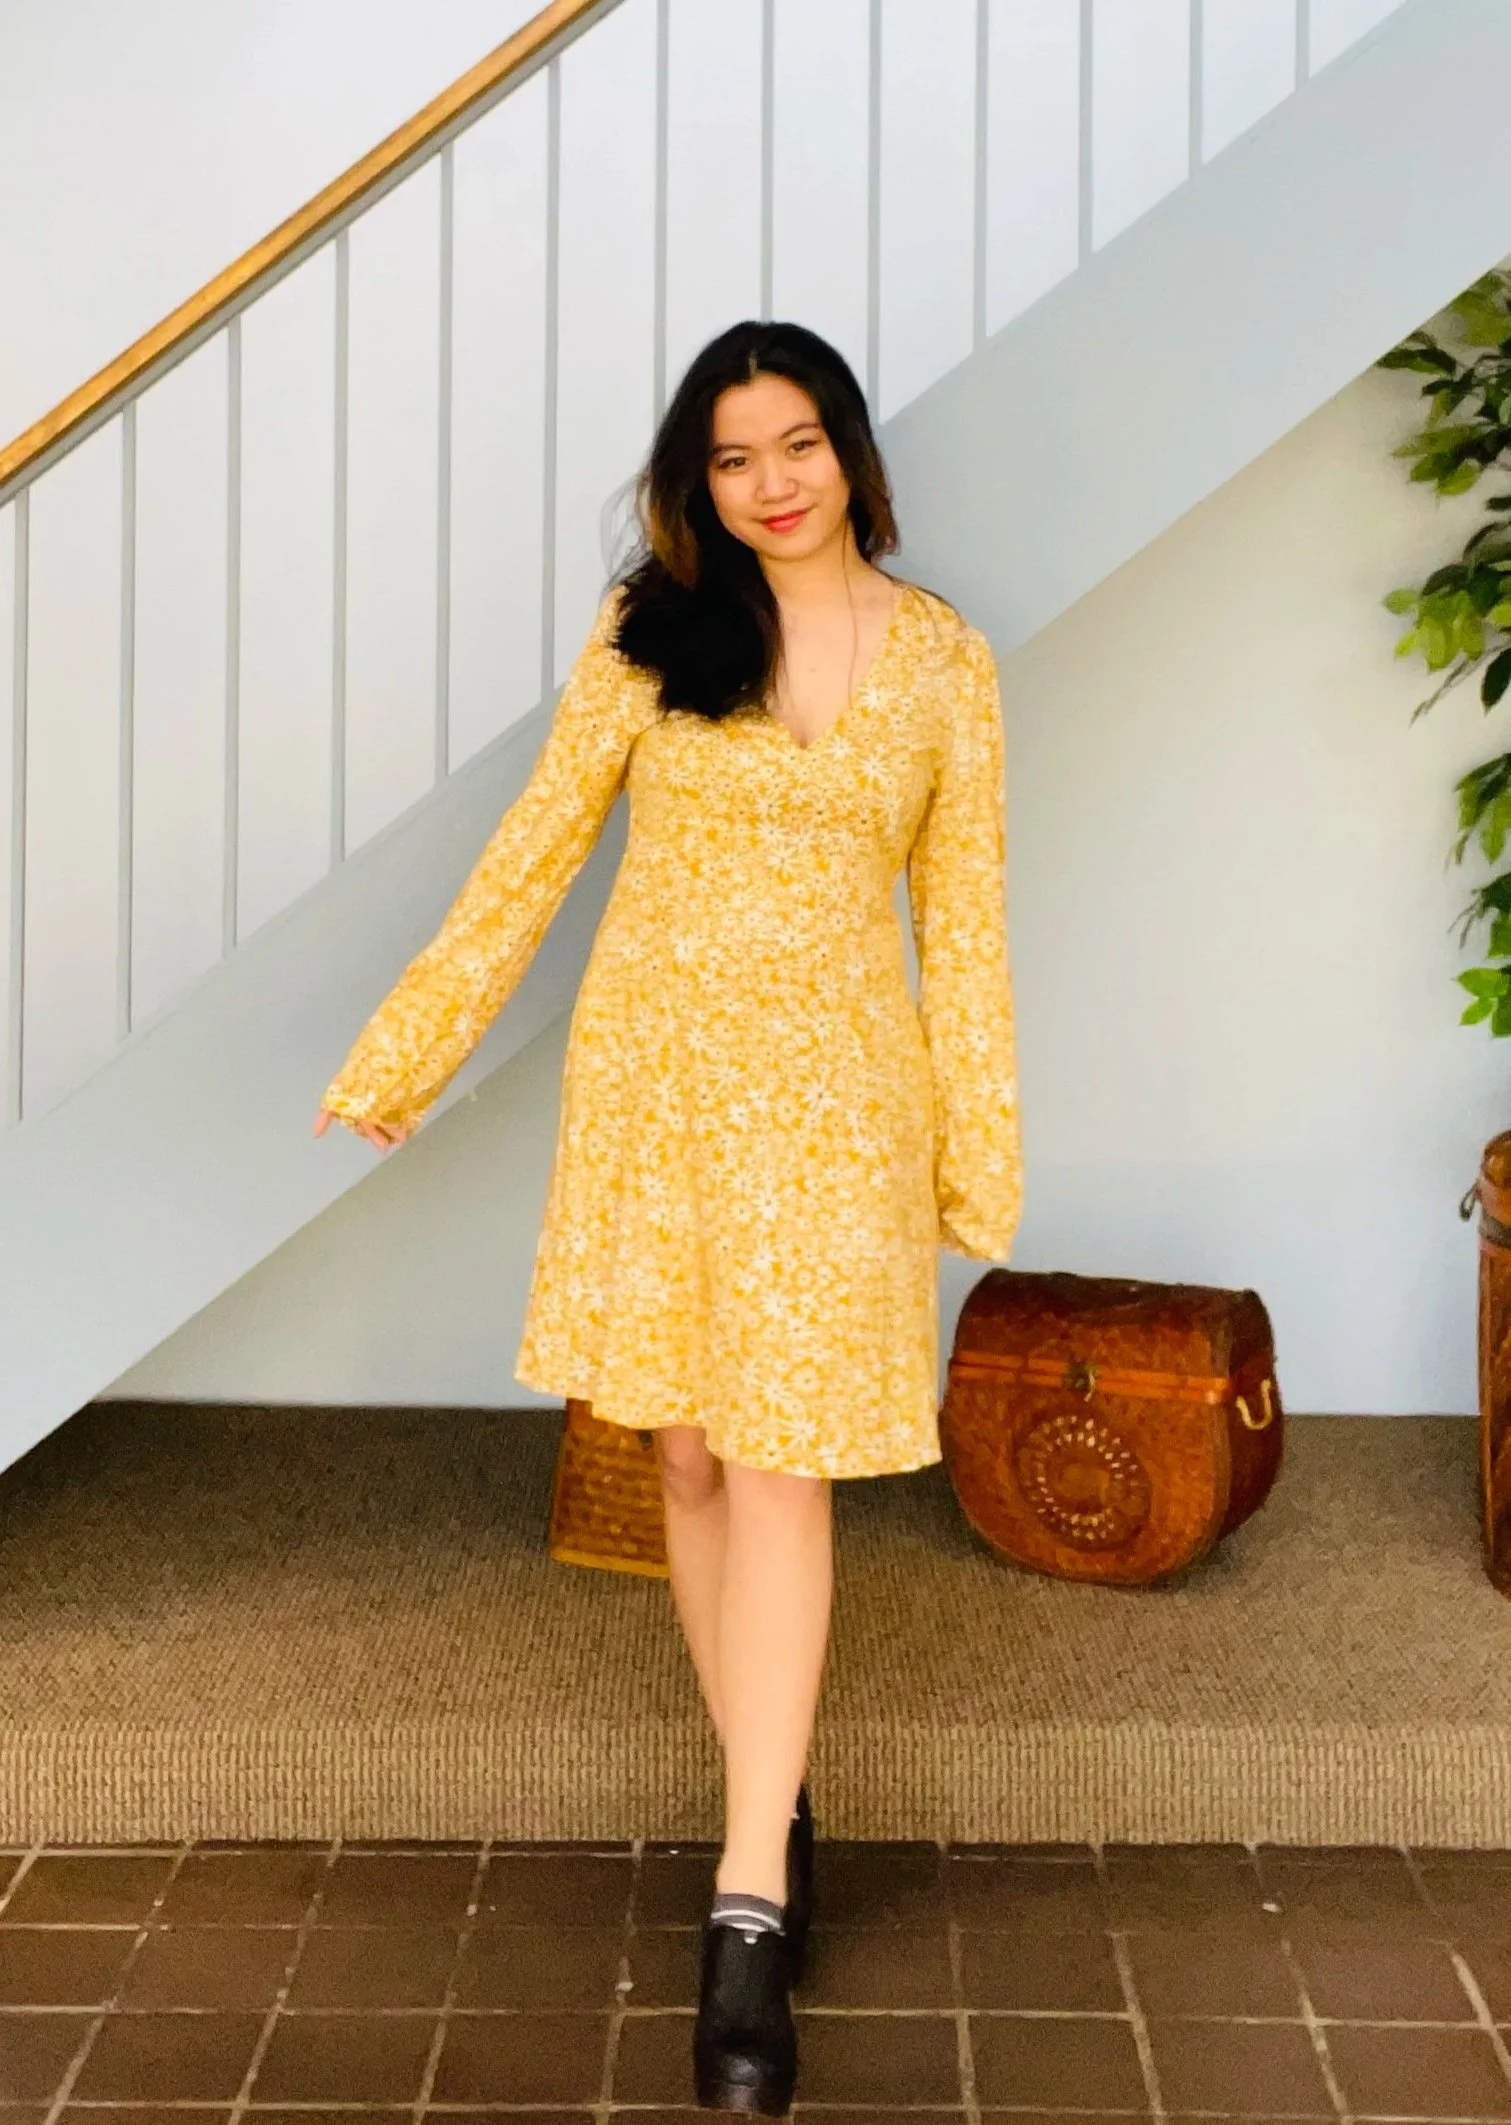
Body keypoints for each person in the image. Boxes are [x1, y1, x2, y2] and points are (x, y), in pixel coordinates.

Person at [314, 318, 1023, 2114]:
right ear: (695, 480)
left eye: (797, 443)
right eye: (731, 456)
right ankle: (769, 1781)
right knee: (690, 1460)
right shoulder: (650, 638)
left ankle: (749, 1908)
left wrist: (975, 1164)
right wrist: (410, 1046)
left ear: (850, 451)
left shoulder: (946, 665)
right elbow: (534, 854)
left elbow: (972, 928)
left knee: (779, 1464)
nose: (771, 482)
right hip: (656, 1091)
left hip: (840, 1111)